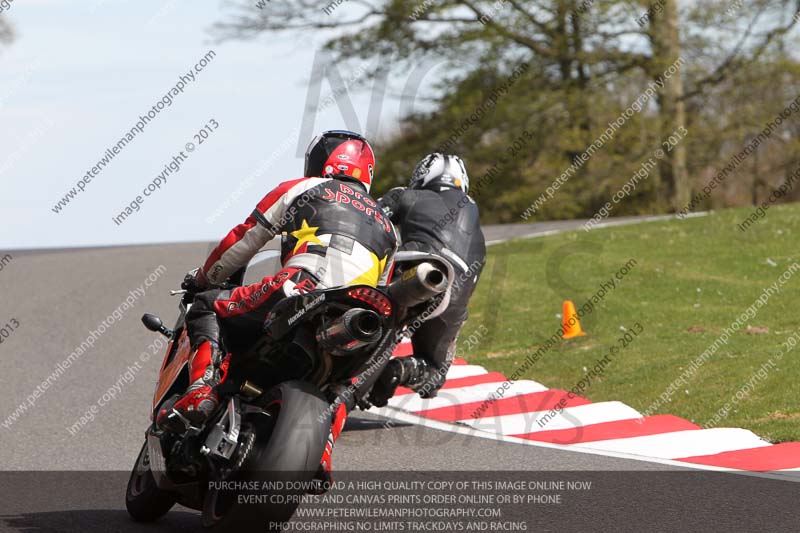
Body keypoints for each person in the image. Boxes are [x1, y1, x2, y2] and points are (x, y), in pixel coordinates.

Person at [157, 130, 397, 433]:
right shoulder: (388, 225)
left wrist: (205, 278)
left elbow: (243, 239)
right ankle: (322, 454)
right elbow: (384, 284)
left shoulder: (303, 188)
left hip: (301, 286)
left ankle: (201, 392)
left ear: (320, 162)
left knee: (207, 306)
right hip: (362, 312)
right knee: (342, 386)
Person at [369, 153, 486, 406]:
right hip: (450, 300)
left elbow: (367, 219)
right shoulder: (472, 210)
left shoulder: (404, 195)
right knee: (434, 377)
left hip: (407, 275)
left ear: (421, 176)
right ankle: (400, 370)